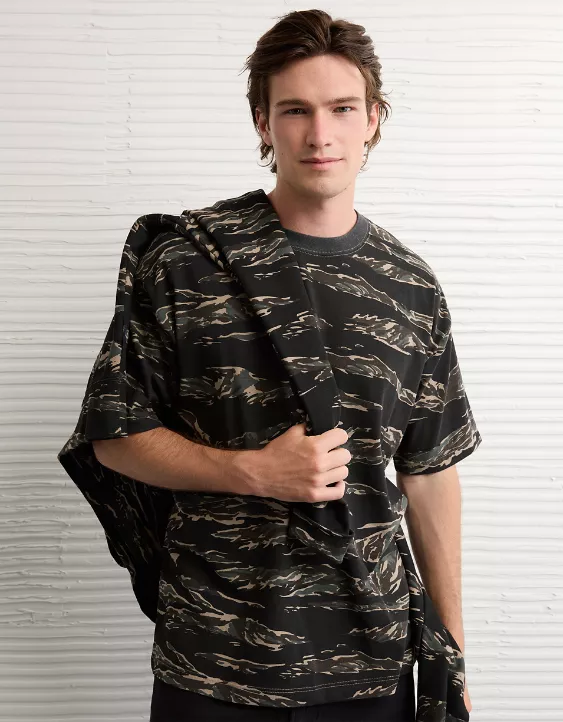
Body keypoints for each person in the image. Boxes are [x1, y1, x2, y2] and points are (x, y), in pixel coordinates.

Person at [57, 9, 482, 722]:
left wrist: (453, 650)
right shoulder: (187, 263)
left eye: (342, 108)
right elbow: (113, 436)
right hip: (213, 657)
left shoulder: (411, 287)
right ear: (263, 122)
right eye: (295, 110)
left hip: (369, 657)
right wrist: (252, 471)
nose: (320, 134)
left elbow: (430, 472)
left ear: (373, 119)